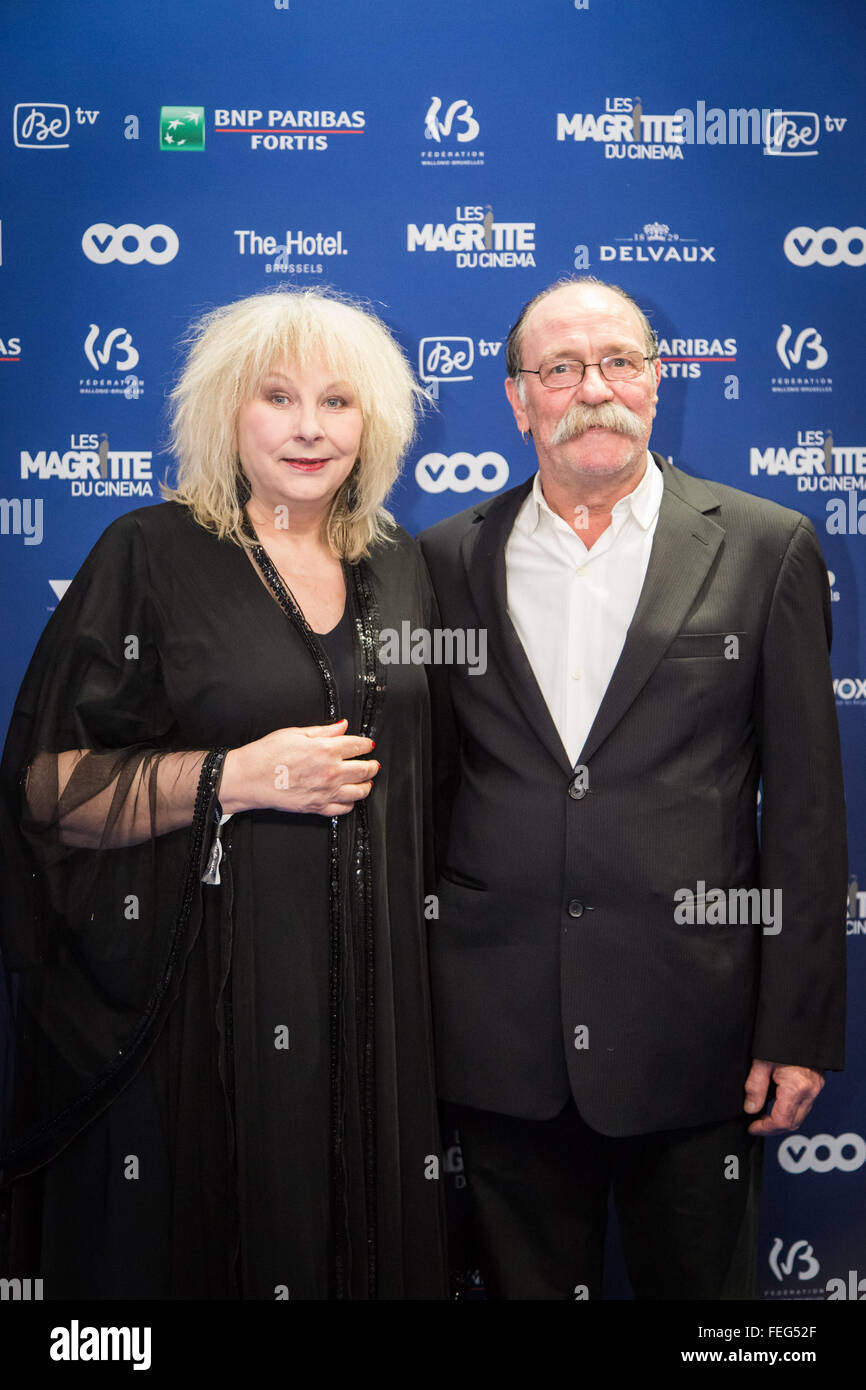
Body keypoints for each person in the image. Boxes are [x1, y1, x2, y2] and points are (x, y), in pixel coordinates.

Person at [0, 287, 447, 1300]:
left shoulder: (403, 567)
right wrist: (227, 777)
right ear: (223, 415)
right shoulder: (149, 553)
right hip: (205, 1003)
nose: (306, 427)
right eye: (276, 397)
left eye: (336, 402)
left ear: (371, 423)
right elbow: (46, 786)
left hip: (370, 1002)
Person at [419, 275, 847, 1300]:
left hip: (693, 1037)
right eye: (559, 368)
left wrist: (794, 1025)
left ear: (656, 384)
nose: (593, 388)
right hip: (495, 1038)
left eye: (618, 362)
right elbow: (428, 796)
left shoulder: (762, 544)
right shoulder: (441, 560)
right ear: (516, 399)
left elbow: (802, 811)